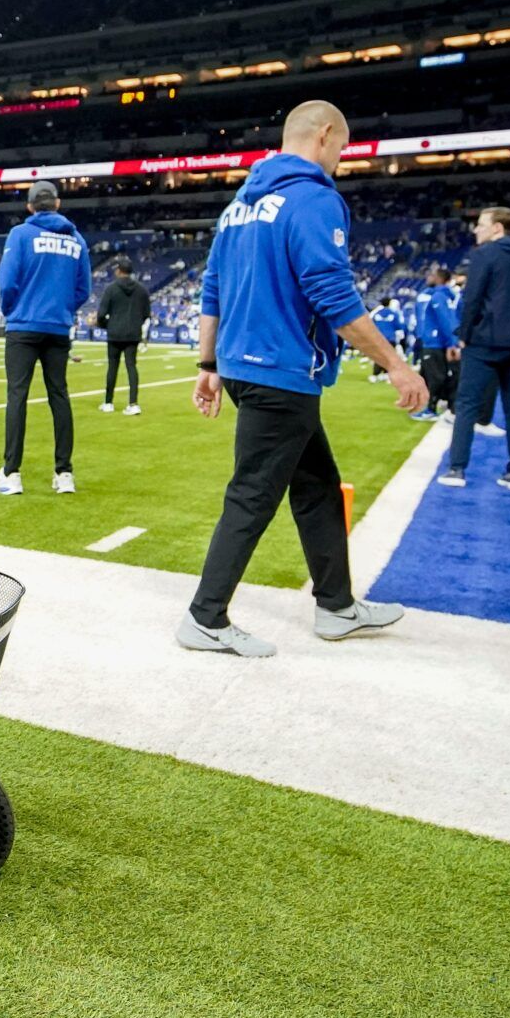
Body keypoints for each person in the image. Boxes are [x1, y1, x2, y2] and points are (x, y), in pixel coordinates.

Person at [181, 101, 428, 657]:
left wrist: (208, 365)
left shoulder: (239, 206)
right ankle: (205, 617)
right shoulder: (315, 200)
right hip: (281, 372)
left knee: (316, 486)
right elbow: (333, 294)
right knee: (252, 495)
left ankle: (337, 606)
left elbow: (212, 289)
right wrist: (396, 364)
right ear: (324, 135)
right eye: (341, 146)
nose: (340, 159)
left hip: (249, 368)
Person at [0, 179, 91, 494]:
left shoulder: (20, 234)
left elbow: (6, 281)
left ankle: (11, 473)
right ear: (57, 204)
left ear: (30, 206)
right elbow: (83, 289)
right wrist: (62, 311)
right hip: (58, 328)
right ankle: (64, 474)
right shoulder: (77, 240)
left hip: (23, 326)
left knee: (17, 396)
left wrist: (12, 310)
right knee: (60, 395)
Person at [436, 206, 510, 490]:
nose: (476, 229)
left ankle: (457, 469)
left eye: (481, 224)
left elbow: (473, 298)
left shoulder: (485, 255)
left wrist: (464, 333)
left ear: (497, 228)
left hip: (485, 340)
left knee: (468, 405)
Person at [96, 256, 150, 414]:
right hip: (133, 334)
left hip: (114, 333)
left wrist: (106, 325)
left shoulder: (111, 288)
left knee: (112, 367)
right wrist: (135, 324)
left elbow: (101, 314)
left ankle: (108, 402)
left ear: (118, 271)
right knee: (131, 367)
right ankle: (133, 403)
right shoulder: (142, 290)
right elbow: (146, 313)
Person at [415, 269, 458, 420]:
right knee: (433, 375)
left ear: (439, 278)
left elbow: (445, 321)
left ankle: (431, 409)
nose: (428, 277)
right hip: (438, 341)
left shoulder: (438, 296)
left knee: (435, 377)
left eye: (432, 275)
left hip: (435, 342)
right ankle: (442, 405)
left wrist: (452, 343)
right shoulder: (447, 296)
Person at [367, 297, 405, 383]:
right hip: (391, 338)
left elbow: (371, 325)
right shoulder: (394, 313)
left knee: (379, 357)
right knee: (389, 357)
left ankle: (375, 375)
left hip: (379, 338)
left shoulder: (376, 313)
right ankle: (387, 375)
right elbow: (399, 327)